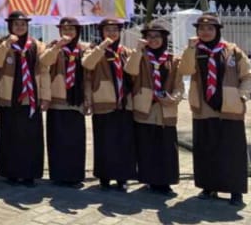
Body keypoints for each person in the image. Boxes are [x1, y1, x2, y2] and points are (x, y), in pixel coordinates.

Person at [179, 14, 250, 206]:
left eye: (210, 28)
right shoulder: (194, 51)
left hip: (230, 107)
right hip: (203, 107)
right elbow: (184, 70)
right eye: (201, 29)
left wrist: (242, 96)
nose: (205, 32)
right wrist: (190, 48)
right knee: (206, 149)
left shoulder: (232, 51)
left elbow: (247, 76)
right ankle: (208, 187)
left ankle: (236, 191)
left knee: (232, 150)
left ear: (217, 31)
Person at [0, 10, 50, 186]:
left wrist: (45, 97)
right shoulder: (1, 43)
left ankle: (29, 173)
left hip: (30, 99)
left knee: (31, 138)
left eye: (23, 24)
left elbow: (44, 71)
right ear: (9, 26)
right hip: (9, 97)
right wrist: (7, 43)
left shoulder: (37, 46)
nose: (20, 27)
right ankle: (11, 172)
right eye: (16, 24)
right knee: (9, 136)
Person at [125, 19, 182, 196]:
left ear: (164, 39)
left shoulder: (172, 59)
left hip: (165, 108)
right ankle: (149, 179)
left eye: (158, 36)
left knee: (166, 147)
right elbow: (130, 71)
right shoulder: (140, 57)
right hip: (145, 107)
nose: (154, 40)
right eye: (150, 36)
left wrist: (174, 99)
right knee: (146, 145)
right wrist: (138, 50)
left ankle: (165, 182)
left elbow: (180, 85)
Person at [81, 17, 137, 191]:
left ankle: (122, 177)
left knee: (124, 142)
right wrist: (103, 46)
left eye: (115, 30)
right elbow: (87, 65)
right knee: (104, 141)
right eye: (108, 30)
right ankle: (104, 176)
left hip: (124, 103)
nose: (112, 33)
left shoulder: (125, 51)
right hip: (103, 102)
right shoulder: (94, 50)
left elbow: (134, 72)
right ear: (101, 32)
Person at [41, 16, 90, 187]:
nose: (68, 32)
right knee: (57, 139)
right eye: (64, 29)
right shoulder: (54, 46)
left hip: (76, 101)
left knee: (75, 141)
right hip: (57, 101)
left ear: (77, 31)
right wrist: (57, 46)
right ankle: (58, 175)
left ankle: (74, 175)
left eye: (71, 29)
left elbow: (89, 75)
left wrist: (88, 99)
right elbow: (44, 62)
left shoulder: (84, 49)